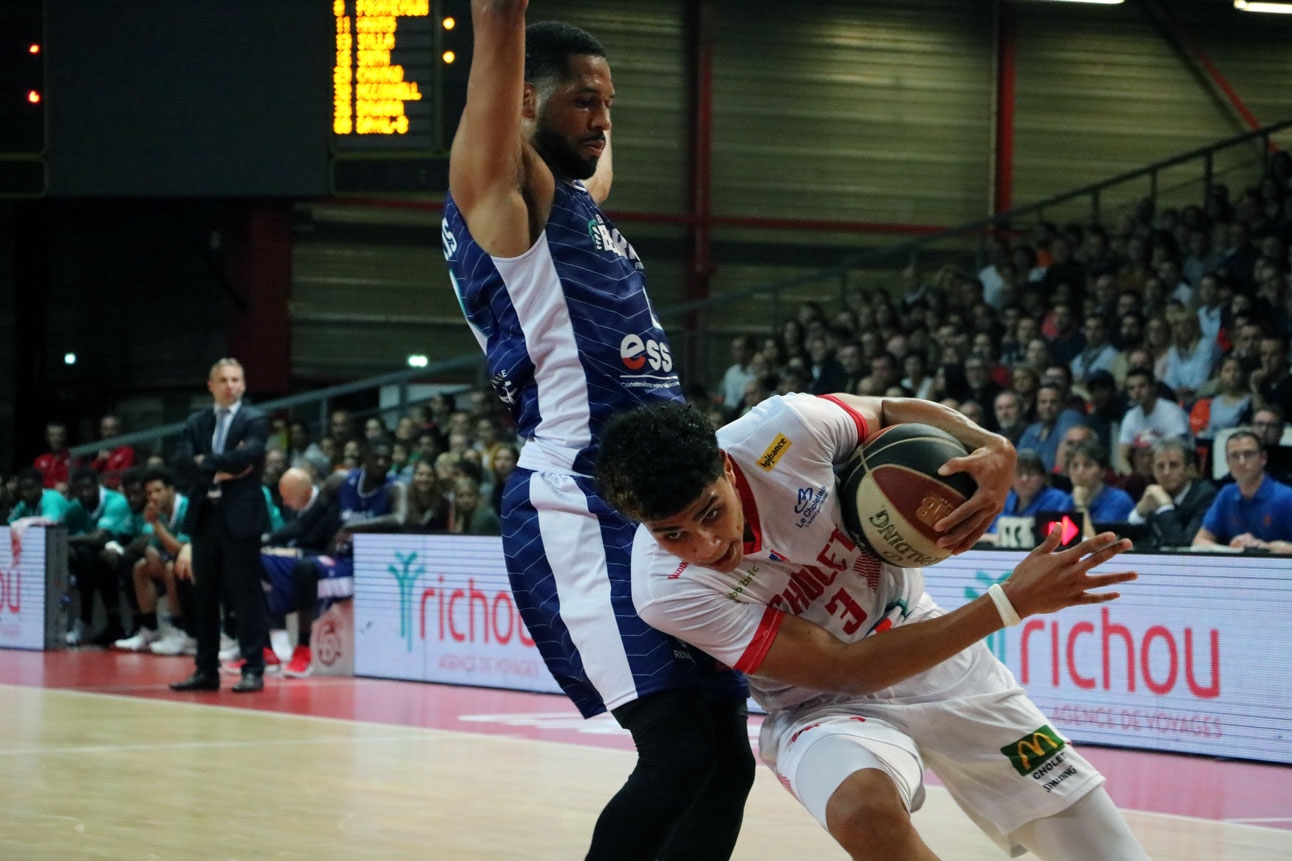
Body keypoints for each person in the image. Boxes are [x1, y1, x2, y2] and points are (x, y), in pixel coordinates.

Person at [441, 7, 753, 860]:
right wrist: (502, 21)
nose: (604, 119)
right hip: (579, 502)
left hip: (660, 498)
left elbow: (593, 160)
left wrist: (591, 112)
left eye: (609, 102)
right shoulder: (503, 201)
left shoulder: (577, 204)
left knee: (727, 758)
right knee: (680, 746)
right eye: (584, 102)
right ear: (528, 101)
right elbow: (501, 52)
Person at [596, 393, 1148, 861]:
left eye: (710, 512)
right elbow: (846, 670)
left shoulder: (785, 430)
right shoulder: (666, 588)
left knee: (1108, 851)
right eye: (673, 535)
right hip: (821, 705)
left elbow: (885, 410)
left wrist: (991, 446)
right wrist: (1008, 603)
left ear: (723, 466)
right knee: (862, 809)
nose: (705, 545)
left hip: (933, 651)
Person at [169, 358, 272, 694]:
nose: (231, 385)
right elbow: (182, 465)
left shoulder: (255, 418)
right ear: (210, 385)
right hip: (205, 515)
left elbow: (250, 456)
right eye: (224, 380)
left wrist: (205, 463)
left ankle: (254, 668)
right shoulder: (195, 422)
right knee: (205, 595)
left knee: (246, 595)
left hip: (241, 518)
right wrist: (220, 469)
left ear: (243, 384)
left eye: (237, 380)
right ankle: (205, 670)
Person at [258, 467, 343, 679]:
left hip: (329, 560)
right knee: (250, 563)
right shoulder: (293, 505)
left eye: (287, 497)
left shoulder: (329, 505)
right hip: (297, 556)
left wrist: (287, 550)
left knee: (304, 568)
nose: (284, 503)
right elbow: (291, 532)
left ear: (305, 491)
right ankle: (264, 647)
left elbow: (327, 548)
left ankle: (303, 649)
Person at [114, 466, 193, 654]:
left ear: (171, 489)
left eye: (158, 491)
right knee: (141, 567)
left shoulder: (187, 508)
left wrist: (155, 524)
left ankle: (179, 631)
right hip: (177, 562)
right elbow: (156, 545)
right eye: (149, 493)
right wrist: (151, 550)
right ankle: (149, 629)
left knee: (171, 568)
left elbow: (179, 548)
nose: (153, 497)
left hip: (201, 562)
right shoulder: (160, 511)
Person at [1193, 429, 1292, 553]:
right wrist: (1235, 551)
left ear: (1263, 458)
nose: (1242, 462)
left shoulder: (1286, 497)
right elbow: (1199, 541)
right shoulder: (1226, 494)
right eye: (1234, 456)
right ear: (1227, 462)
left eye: (1248, 454)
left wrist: (1264, 548)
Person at [1128, 437, 1216, 549]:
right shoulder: (1153, 492)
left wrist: (1165, 507)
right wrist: (1140, 512)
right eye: (1160, 466)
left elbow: (1185, 545)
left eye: (1174, 465)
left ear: (1190, 470)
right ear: (1152, 470)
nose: (1166, 472)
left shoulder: (1205, 496)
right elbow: (1130, 540)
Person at [1117, 368, 1191, 471]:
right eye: (1131, 388)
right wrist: (1132, 478)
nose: (1137, 391)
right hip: (1144, 475)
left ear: (1153, 387)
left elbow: (1178, 452)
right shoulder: (1130, 416)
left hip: (1173, 469)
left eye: (1142, 386)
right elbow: (1122, 456)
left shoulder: (1172, 412)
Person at [987, 448, 1072, 536]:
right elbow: (986, 532)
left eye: (1031, 473)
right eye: (1019, 473)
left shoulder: (1058, 499)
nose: (1024, 479)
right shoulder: (1003, 501)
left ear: (1043, 477)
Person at [1066, 441, 1135, 522]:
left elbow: (1096, 534)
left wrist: (1080, 506)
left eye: (1088, 465)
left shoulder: (1119, 500)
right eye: (1075, 466)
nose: (1080, 471)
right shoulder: (1069, 500)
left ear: (1103, 471)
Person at [89, 413, 136, 489]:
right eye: (105, 429)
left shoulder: (127, 450)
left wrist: (105, 482)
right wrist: (99, 460)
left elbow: (123, 477)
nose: (109, 433)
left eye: (113, 429)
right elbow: (89, 475)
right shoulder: (98, 450)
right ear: (101, 431)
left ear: (118, 430)